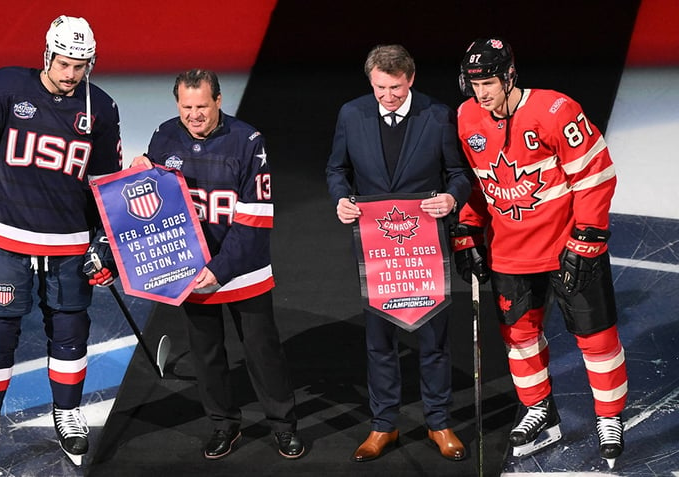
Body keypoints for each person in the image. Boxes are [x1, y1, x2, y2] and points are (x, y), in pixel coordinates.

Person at [0, 15, 122, 475]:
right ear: (47, 55)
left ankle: (66, 413)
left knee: (70, 334)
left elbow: (106, 183)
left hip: (68, 244)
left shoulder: (101, 109)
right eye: (65, 63)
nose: (71, 74)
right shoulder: (6, 89)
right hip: (9, 239)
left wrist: (104, 240)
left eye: (80, 65)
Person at [453, 37, 628, 468]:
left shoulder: (556, 111)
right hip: (511, 253)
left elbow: (596, 174)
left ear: (510, 75)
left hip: (568, 246)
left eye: (490, 83)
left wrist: (587, 239)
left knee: (596, 336)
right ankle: (539, 409)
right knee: (519, 339)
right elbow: (480, 183)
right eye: (474, 85)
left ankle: (609, 416)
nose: (482, 94)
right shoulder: (466, 117)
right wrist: (467, 228)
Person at [130, 69, 305, 460]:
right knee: (205, 352)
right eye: (186, 107)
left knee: (262, 350)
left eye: (202, 107)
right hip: (191, 268)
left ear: (219, 101)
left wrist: (221, 269)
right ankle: (224, 424)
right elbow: (152, 204)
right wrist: (139, 175)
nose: (194, 115)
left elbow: (254, 220)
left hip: (244, 269)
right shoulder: (164, 135)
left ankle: (282, 425)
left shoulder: (249, 141)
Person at [326, 44, 472, 463]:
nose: (387, 96)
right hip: (376, 248)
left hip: (426, 244)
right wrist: (342, 199)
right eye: (379, 88)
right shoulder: (352, 114)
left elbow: (458, 173)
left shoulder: (438, 114)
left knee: (434, 340)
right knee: (379, 341)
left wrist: (450, 198)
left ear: (410, 80)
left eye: (394, 87)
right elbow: (337, 169)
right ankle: (383, 425)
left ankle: (439, 421)